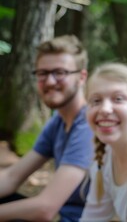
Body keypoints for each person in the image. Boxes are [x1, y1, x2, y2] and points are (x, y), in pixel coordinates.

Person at [0, 35, 94, 221]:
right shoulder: (58, 121)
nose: (50, 81)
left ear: (81, 77)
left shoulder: (88, 124)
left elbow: (45, 209)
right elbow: (11, 176)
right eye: (42, 73)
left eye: (60, 72)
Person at [80, 62, 127, 221]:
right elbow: (92, 218)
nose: (104, 109)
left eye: (118, 99)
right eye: (95, 101)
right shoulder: (104, 159)